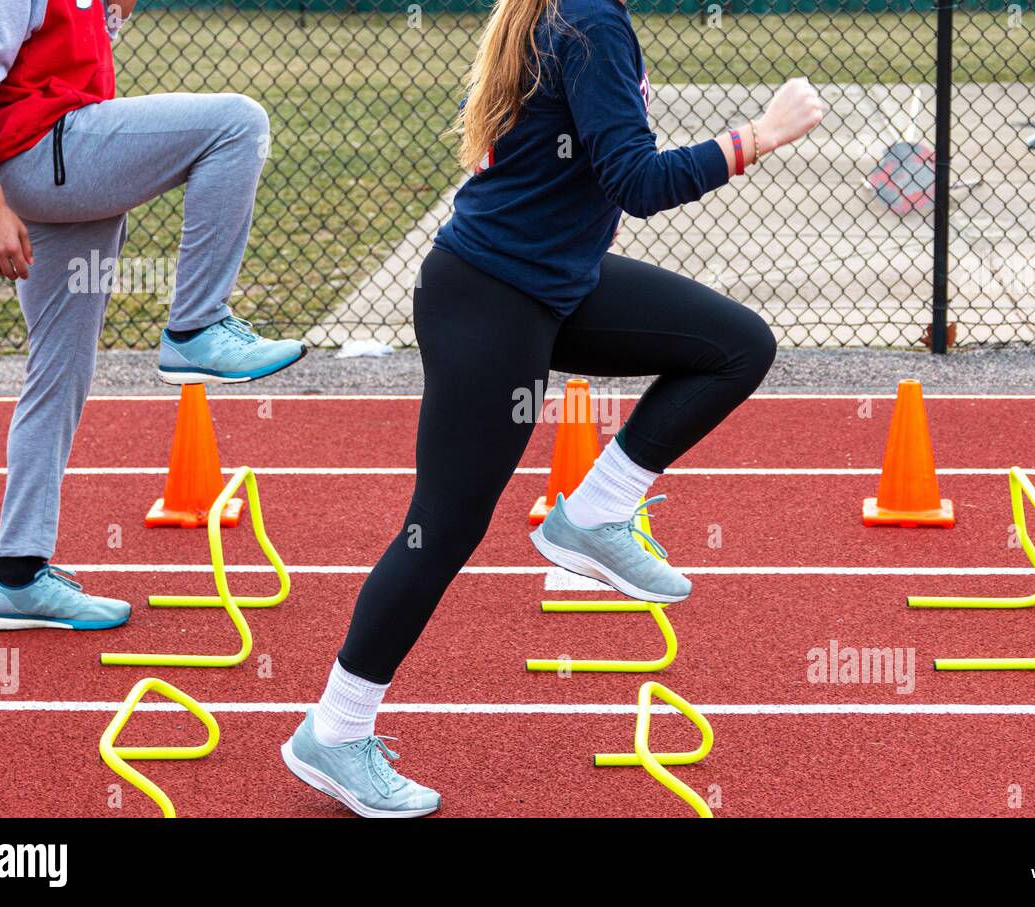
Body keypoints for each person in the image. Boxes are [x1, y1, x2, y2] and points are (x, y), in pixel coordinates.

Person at [281, 0, 822, 817]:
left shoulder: (575, 15)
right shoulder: (589, 21)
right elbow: (636, 184)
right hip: (493, 298)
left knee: (736, 345)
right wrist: (760, 135)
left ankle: (596, 512)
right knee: (442, 529)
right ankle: (335, 728)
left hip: (553, 281)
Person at [0, 0, 306, 631]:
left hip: (62, 157)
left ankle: (15, 577)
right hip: (40, 153)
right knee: (238, 122)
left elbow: (70, 50)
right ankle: (196, 326)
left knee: (58, 374)